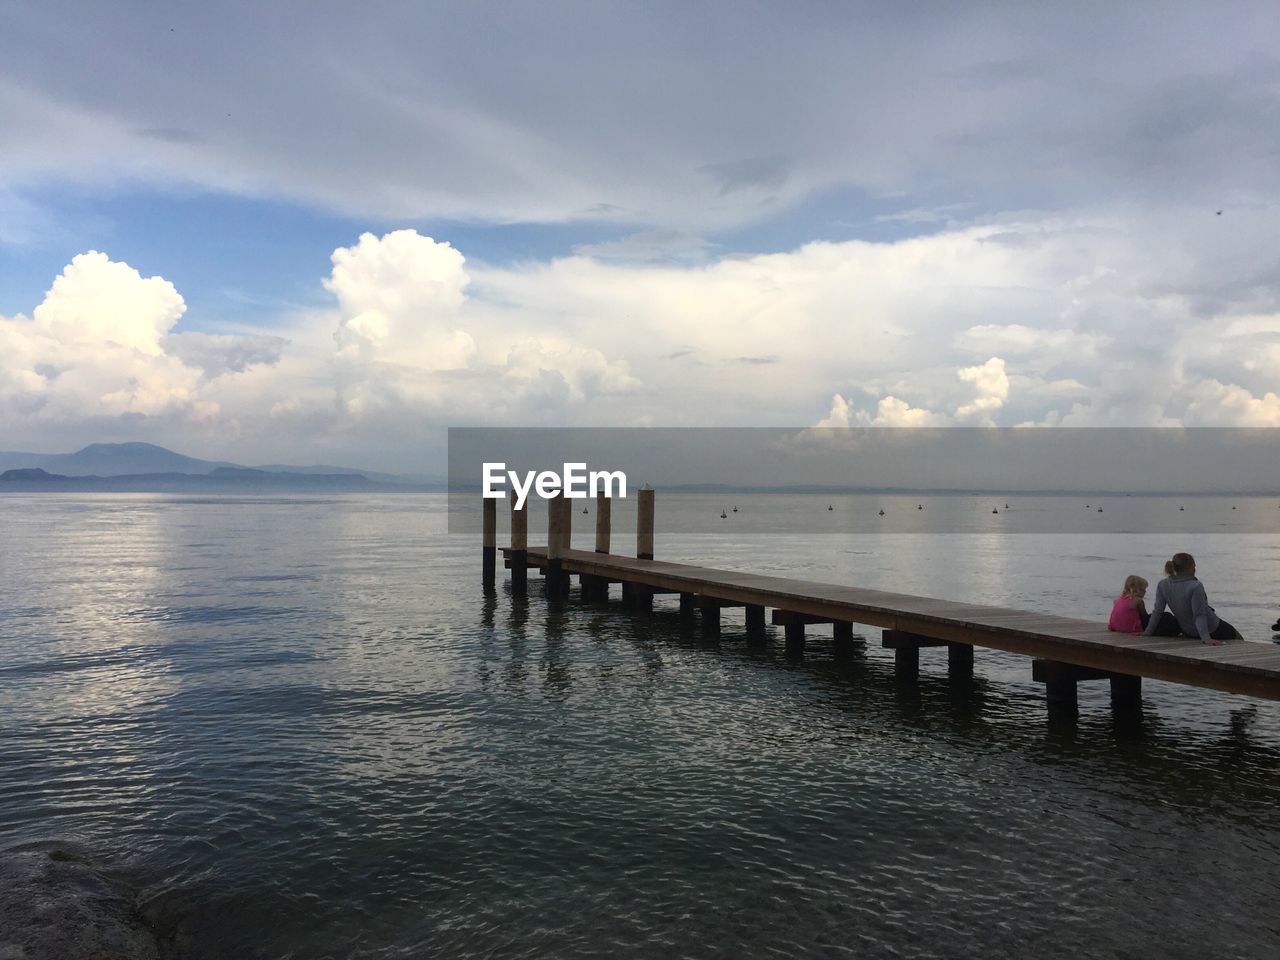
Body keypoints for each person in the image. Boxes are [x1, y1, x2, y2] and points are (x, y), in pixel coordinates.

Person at [1143, 552, 1240, 645]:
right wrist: (1206, 638)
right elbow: (1199, 615)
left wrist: (1147, 632)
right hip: (1212, 629)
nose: (1195, 569)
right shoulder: (1195, 586)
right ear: (1189, 567)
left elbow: (1157, 611)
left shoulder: (1163, 584)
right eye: (1194, 566)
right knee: (1237, 636)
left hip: (1188, 631)